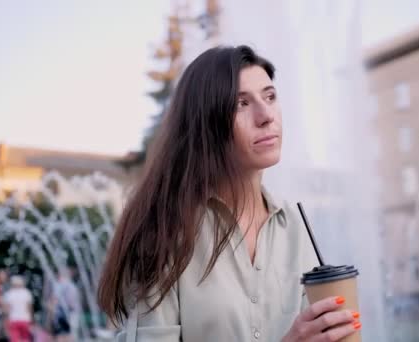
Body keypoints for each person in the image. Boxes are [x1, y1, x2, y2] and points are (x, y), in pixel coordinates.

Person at [97, 45, 362, 341]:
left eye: (270, 96)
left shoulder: (293, 227)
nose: (266, 116)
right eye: (241, 104)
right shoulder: (164, 230)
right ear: (206, 123)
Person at [49, 269, 81, 342]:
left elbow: (54, 299)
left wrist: (51, 312)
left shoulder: (59, 285)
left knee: (60, 334)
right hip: (73, 313)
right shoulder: (73, 286)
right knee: (71, 333)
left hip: (62, 314)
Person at [2, 275, 34, 342]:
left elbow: (6, 310)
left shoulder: (9, 294)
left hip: (13, 319)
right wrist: (31, 320)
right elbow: (29, 308)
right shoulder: (27, 293)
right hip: (25, 319)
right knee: (25, 339)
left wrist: (5, 321)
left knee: (14, 339)